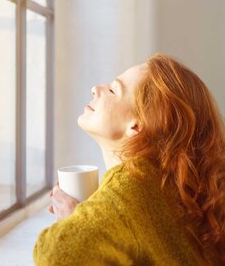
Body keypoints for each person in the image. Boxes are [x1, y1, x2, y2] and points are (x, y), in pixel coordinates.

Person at [33, 53, 224, 266]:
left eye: (113, 90)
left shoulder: (130, 187)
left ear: (136, 125)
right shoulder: (170, 183)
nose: (96, 89)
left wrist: (70, 223)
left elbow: (57, 254)